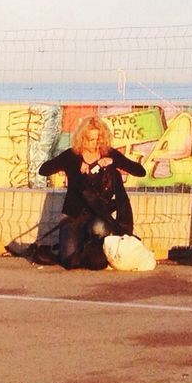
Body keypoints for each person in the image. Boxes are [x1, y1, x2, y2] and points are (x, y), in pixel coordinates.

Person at [38, 116, 146, 270]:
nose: (93, 144)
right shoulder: (72, 155)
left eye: (97, 140)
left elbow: (140, 171)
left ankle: (93, 250)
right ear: (82, 138)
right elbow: (44, 170)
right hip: (73, 215)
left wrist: (113, 162)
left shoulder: (108, 154)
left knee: (98, 228)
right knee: (68, 260)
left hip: (99, 215)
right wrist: (76, 167)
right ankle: (83, 248)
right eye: (89, 139)